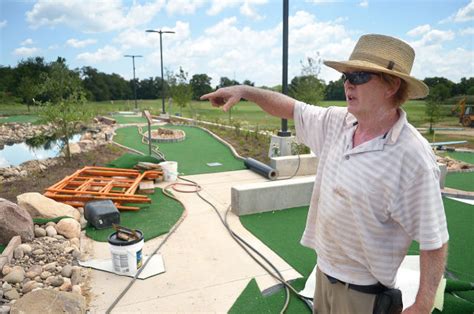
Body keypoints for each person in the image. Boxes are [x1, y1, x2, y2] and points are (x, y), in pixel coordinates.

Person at [201, 34, 448, 314]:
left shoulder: (412, 156)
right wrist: (246, 90)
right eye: (346, 75)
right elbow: (291, 108)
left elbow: (434, 239)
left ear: (391, 85)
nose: (347, 83)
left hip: (363, 295)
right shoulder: (339, 122)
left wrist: (423, 305)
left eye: (358, 76)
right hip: (323, 276)